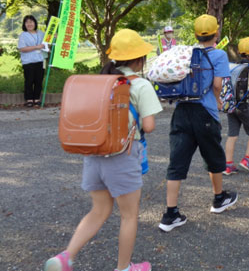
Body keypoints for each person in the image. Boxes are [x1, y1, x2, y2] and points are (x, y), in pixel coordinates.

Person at [44, 29, 163, 271]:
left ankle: (66, 257)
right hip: (122, 156)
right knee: (129, 215)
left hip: (94, 153)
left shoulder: (101, 81)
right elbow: (148, 126)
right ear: (139, 59)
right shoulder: (140, 85)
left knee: (99, 210)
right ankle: (124, 268)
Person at [159, 14, 237, 233]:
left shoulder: (185, 53)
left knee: (177, 161)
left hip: (182, 110)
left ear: (195, 34)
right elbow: (217, 84)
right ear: (217, 33)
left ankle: (170, 213)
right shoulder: (219, 55)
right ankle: (219, 199)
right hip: (205, 112)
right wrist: (220, 100)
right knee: (213, 156)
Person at [223, 37, 249, 175]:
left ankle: (228, 165)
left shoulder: (232, 67)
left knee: (232, 135)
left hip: (231, 106)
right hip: (246, 106)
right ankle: (247, 160)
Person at [18, 15, 46, 107]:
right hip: (28, 61)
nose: (29, 24)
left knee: (39, 81)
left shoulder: (41, 33)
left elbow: (46, 44)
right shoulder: (23, 35)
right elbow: (22, 48)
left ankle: (37, 99)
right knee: (29, 81)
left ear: (35, 23)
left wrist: (54, 37)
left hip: (41, 60)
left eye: (31, 22)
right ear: (24, 24)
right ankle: (29, 99)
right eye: (27, 22)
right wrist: (36, 47)